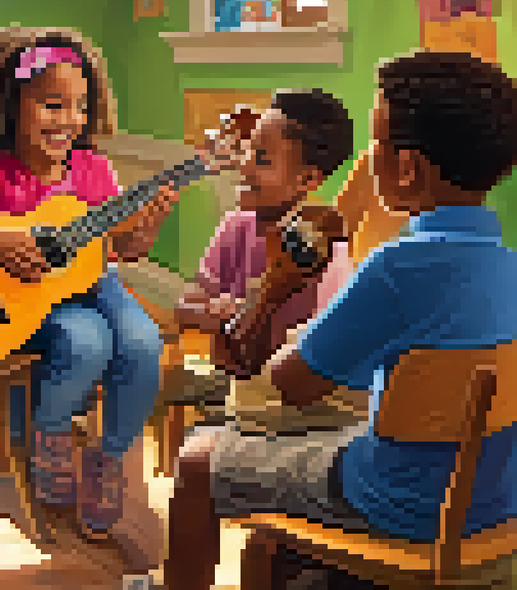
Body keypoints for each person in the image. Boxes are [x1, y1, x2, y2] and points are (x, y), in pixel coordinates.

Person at [164, 51, 517, 590]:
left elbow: (294, 384)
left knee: (196, 459)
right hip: (490, 506)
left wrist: (281, 289)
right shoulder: (507, 267)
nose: (367, 161)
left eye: (376, 144)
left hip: (396, 504)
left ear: (407, 169)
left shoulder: (394, 269)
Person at [0, 26, 176, 536]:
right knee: (86, 341)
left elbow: (126, 250)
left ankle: (109, 458)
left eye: (79, 107)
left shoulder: (94, 171)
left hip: (96, 283)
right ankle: (51, 436)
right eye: (52, 105)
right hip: (29, 299)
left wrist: (148, 227)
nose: (68, 120)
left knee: (143, 342)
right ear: (11, 107)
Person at [168, 89, 363, 431]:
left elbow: (321, 349)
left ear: (308, 179)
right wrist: (217, 312)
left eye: (262, 159)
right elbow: (185, 307)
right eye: (248, 151)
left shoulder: (322, 247)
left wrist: (257, 314)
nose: (244, 165)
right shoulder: (235, 225)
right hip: (233, 376)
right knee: (167, 389)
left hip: (286, 399)